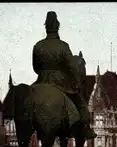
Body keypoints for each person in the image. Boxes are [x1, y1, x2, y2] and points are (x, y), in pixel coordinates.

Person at [32, 11, 96, 139]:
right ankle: (85, 129)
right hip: (59, 83)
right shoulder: (63, 46)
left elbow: (35, 67)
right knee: (80, 104)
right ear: (57, 26)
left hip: (40, 81)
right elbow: (71, 66)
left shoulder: (38, 46)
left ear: (46, 27)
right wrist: (75, 81)